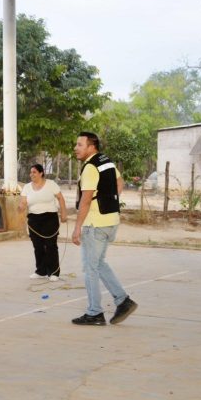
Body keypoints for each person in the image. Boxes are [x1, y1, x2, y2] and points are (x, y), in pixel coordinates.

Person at [71, 131, 138, 326]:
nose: (76, 148)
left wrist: (77, 228)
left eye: (79, 145)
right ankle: (123, 301)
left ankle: (95, 313)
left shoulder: (91, 167)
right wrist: (108, 199)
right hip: (111, 220)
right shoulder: (105, 161)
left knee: (90, 268)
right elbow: (119, 182)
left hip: (95, 224)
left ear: (91, 147)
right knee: (99, 264)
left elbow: (85, 200)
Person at [18, 164, 67, 281]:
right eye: (31, 172)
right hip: (34, 219)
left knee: (51, 245)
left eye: (34, 172)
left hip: (50, 217)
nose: (31, 174)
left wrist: (64, 213)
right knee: (37, 246)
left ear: (41, 173)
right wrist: (20, 207)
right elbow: (23, 202)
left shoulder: (51, 184)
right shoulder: (27, 187)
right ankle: (41, 271)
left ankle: (54, 272)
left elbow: (60, 198)